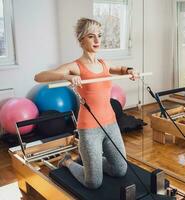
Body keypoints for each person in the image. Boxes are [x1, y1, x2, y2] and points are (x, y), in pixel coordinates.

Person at [34, 18, 138, 189]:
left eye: (99, 35)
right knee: (93, 182)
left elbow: (120, 69)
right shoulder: (76, 66)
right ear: (81, 40)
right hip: (89, 129)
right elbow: (39, 77)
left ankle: (93, 161)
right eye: (91, 36)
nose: (97, 40)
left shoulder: (104, 64)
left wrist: (130, 70)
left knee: (120, 170)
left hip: (111, 125)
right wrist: (66, 76)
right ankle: (67, 162)